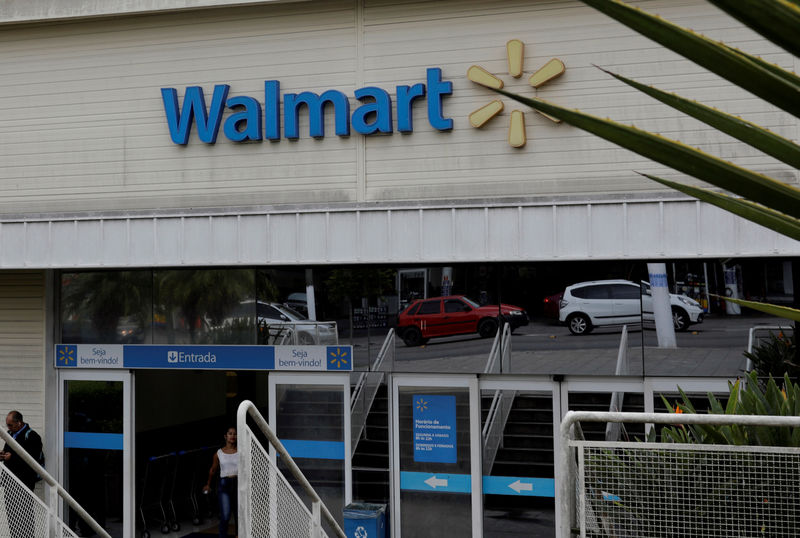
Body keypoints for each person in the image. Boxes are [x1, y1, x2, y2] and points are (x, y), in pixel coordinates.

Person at [203, 427, 238, 538]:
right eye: (230, 433)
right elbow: (213, 470)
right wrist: (208, 484)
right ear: (225, 436)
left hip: (238, 483)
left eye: (235, 434)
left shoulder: (241, 451)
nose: (233, 436)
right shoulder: (219, 453)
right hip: (224, 485)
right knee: (226, 515)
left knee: (239, 515)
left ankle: (239, 535)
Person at [1, 410, 43, 491]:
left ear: (19, 423)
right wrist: (3, 455)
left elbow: (32, 459)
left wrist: (11, 458)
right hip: (9, 480)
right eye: (7, 425)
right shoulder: (10, 433)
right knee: (9, 503)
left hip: (24, 481)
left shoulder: (32, 436)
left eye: (10, 425)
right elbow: (8, 451)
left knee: (25, 503)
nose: (8, 427)